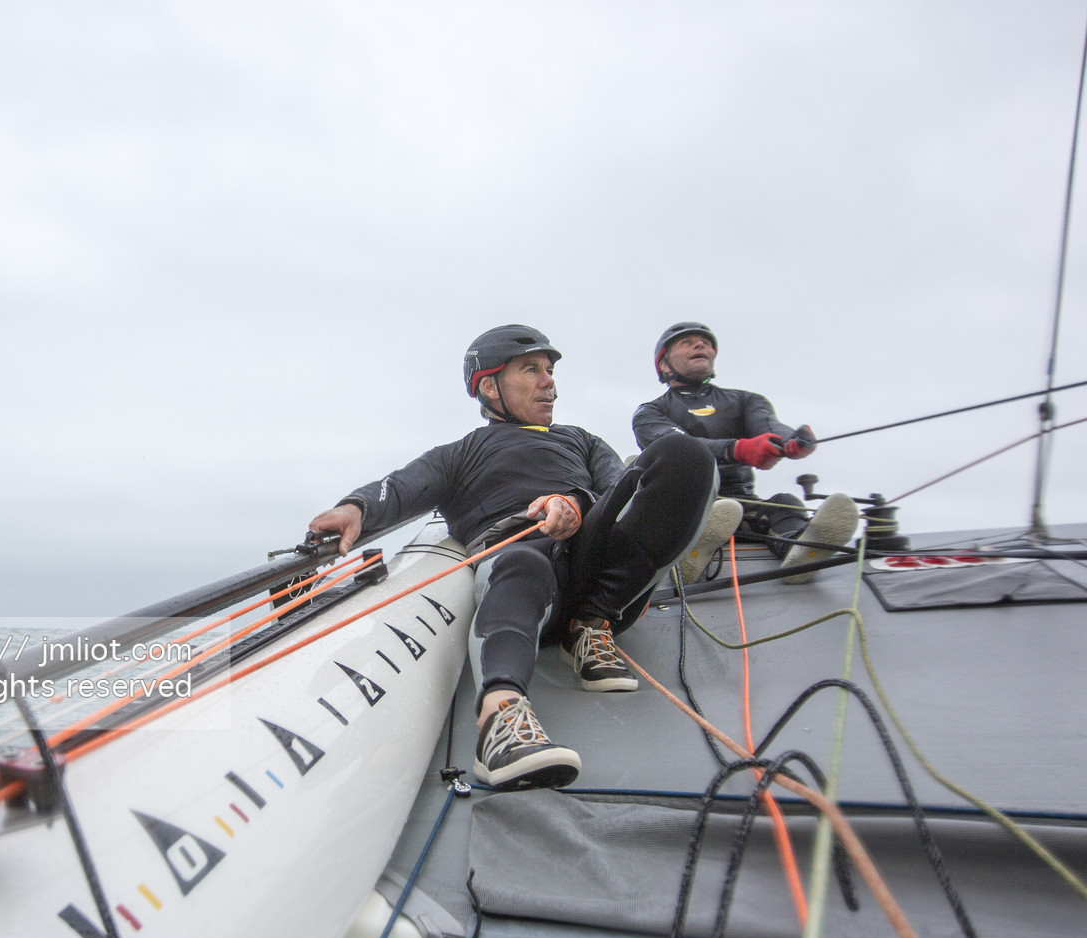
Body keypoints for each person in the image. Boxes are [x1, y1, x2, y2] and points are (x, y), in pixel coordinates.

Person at [307, 325, 718, 790]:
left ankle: (591, 626)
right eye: (531, 370)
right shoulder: (460, 453)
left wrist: (573, 503)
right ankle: (500, 723)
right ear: (488, 386)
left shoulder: (580, 440)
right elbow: (399, 489)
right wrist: (353, 507)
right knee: (523, 561)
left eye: (550, 371)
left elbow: (617, 492)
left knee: (685, 454)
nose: (550, 383)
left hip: (596, 566)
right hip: (520, 566)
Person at [632, 321, 859, 585]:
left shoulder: (746, 401)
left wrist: (790, 440)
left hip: (742, 510)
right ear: (663, 364)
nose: (700, 345)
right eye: (687, 342)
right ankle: (688, 553)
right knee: (704, 513)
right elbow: (680, 448)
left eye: (705, 343)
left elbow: (769, 426)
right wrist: (737, 449)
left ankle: (800, 552)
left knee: (784, 502)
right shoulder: (649, 414)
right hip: (685, 507)